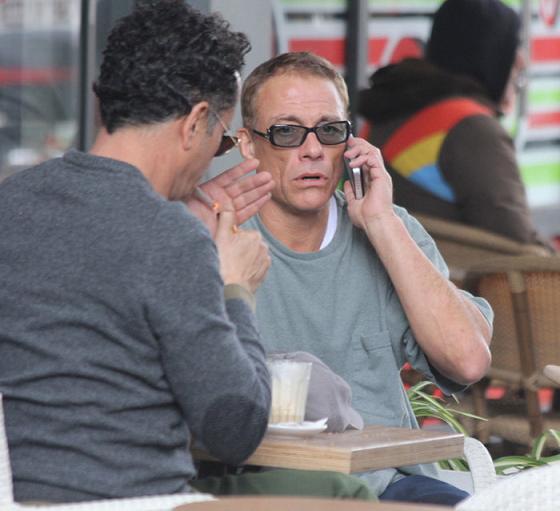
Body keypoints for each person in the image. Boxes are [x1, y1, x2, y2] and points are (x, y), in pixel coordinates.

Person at [0, 2, 376, 504]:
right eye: (222, 141)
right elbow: (235, 430)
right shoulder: (171, 237)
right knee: (342, 493)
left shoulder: (11, 204)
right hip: (135, 499)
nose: (211, 161)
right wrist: (235, 288)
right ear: (196, 122)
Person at [237, 51, 493, 505]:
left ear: (351, 143)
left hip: (391, 483)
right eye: (287, 132)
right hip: (271, 489)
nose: (313, 150)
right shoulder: (222, 239)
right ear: (247, 144)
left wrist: (380, 222)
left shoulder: (387, 228)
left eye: (330, 130)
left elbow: (468, 361)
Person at [358, 0, 554, 251]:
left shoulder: (386, 108)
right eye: (512, 53)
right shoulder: (471, 129)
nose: (520, 66)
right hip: (456, 273)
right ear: (492, 57)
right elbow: (518, 240)